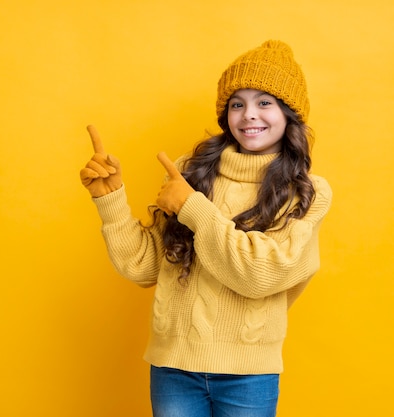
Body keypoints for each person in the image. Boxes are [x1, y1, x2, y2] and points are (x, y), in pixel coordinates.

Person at [79, 40, 332, 417]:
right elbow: (146, 267)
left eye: (265, 102)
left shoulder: (306, 190)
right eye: (237, 104)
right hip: (173, 368)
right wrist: (110, 199)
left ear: (289, 113)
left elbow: (260, 274)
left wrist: (192, 207)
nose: (249, 114)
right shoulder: (191, 171)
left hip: (248, 375)